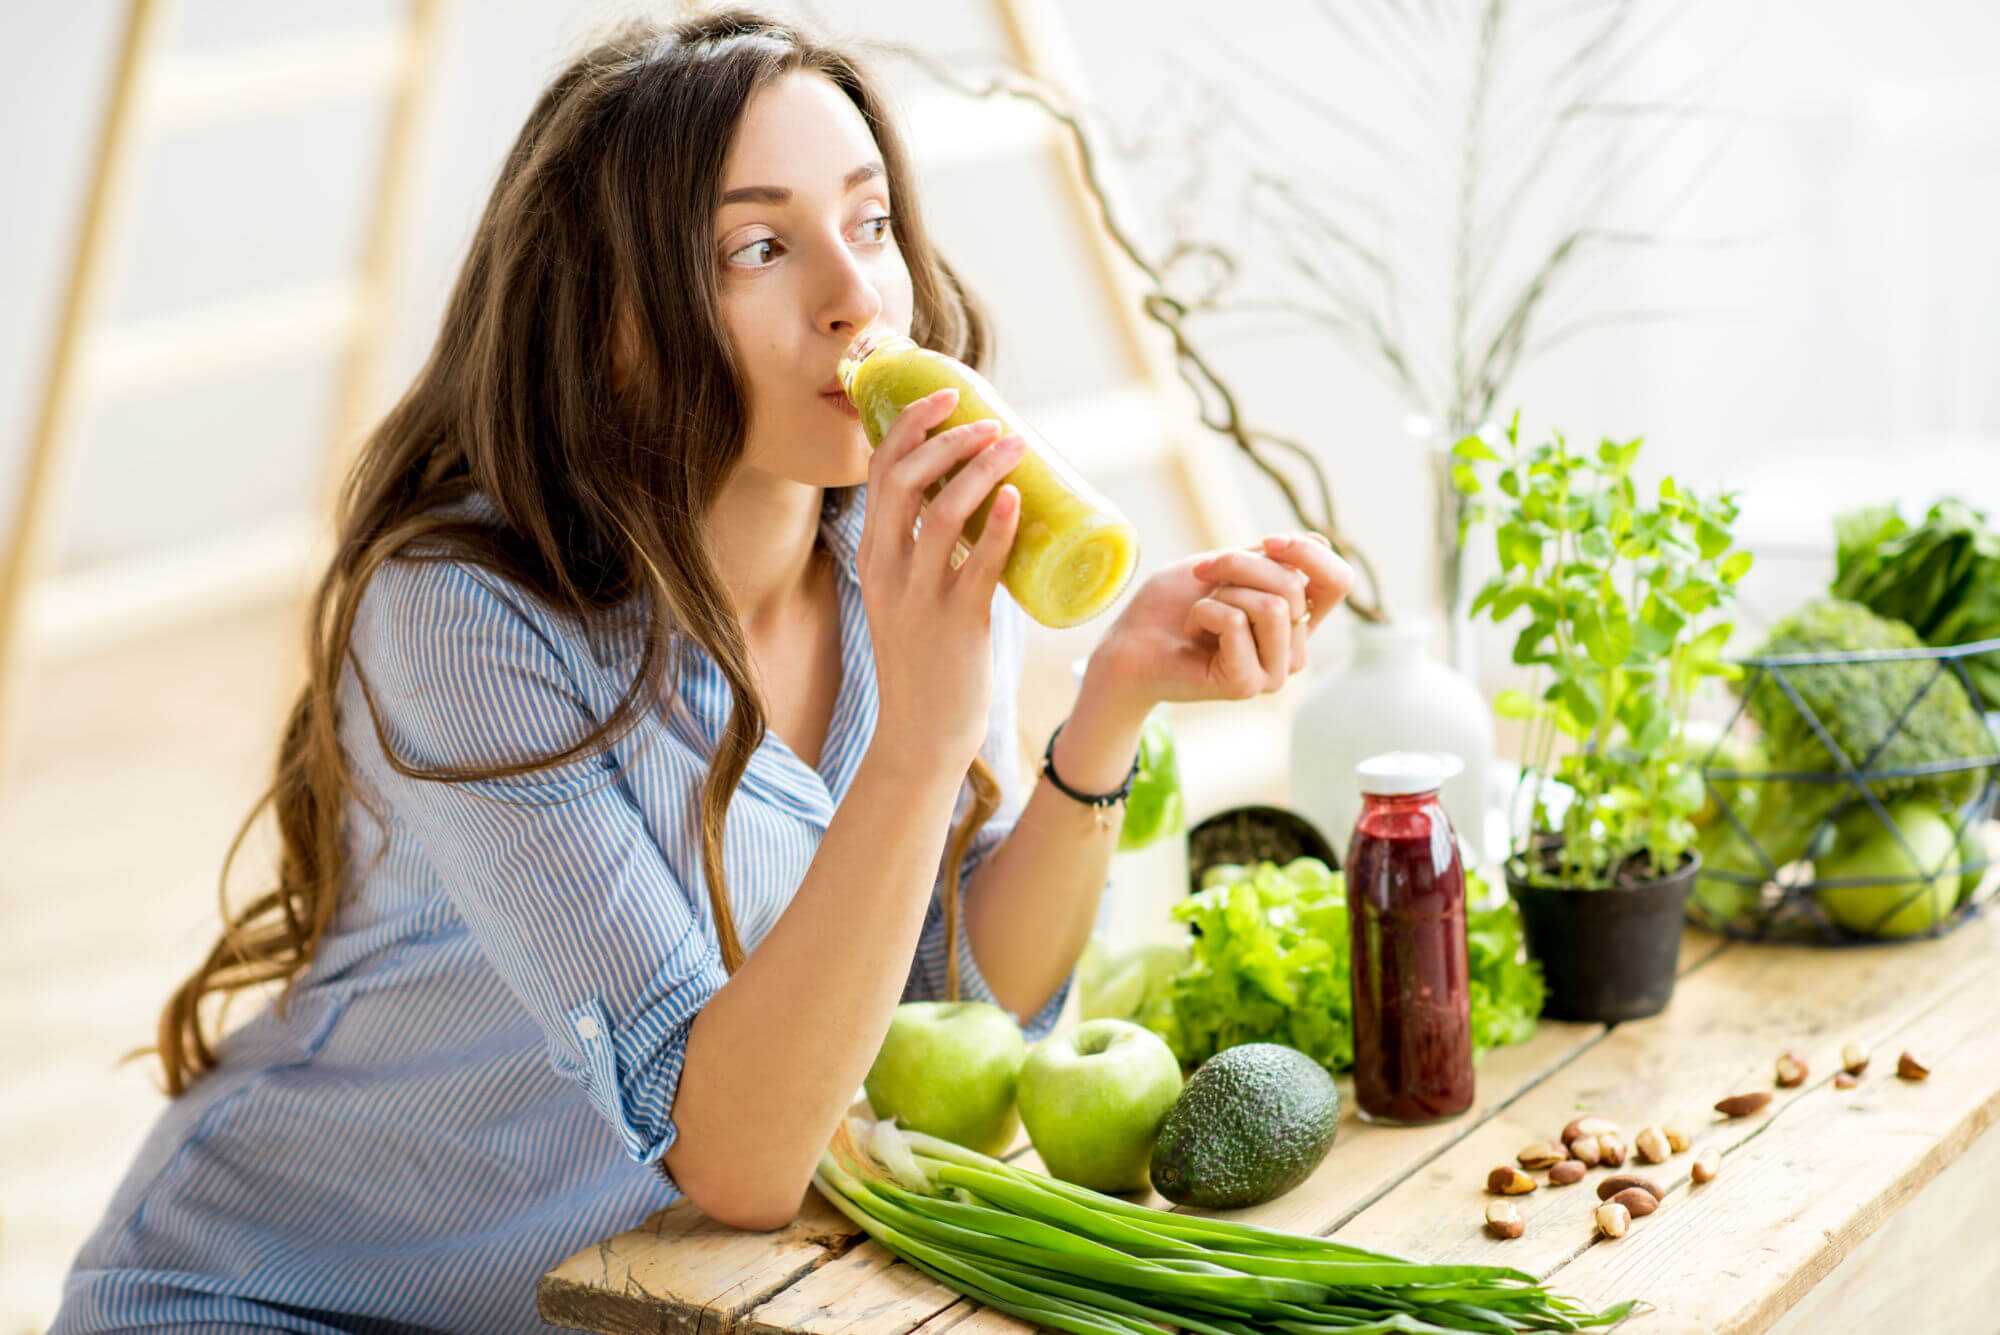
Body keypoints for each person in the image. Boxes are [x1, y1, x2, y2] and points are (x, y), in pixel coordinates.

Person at [49, 10, 1350, 1334]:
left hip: (613, 1306)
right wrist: (922, 732)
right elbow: (734, 1158)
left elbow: (949, 1010)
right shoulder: (462, 621)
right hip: (286, 1301)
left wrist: (1108, 706)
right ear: (613, 323)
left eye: (873, 221)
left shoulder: (891, 556)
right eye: (760, 247)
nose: (855, 297)